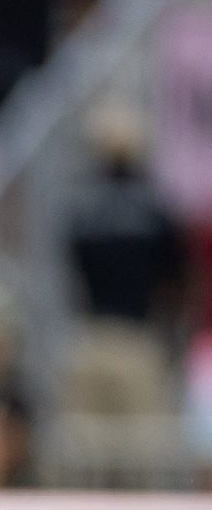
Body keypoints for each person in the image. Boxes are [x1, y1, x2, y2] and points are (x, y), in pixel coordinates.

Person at [59, 104, 190, 420]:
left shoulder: (83, 211)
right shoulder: (155, 212)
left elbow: (74, 272)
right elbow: (174, 279)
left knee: (86, 457)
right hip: (139, 340)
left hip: (94, 336)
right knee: (140, 455)